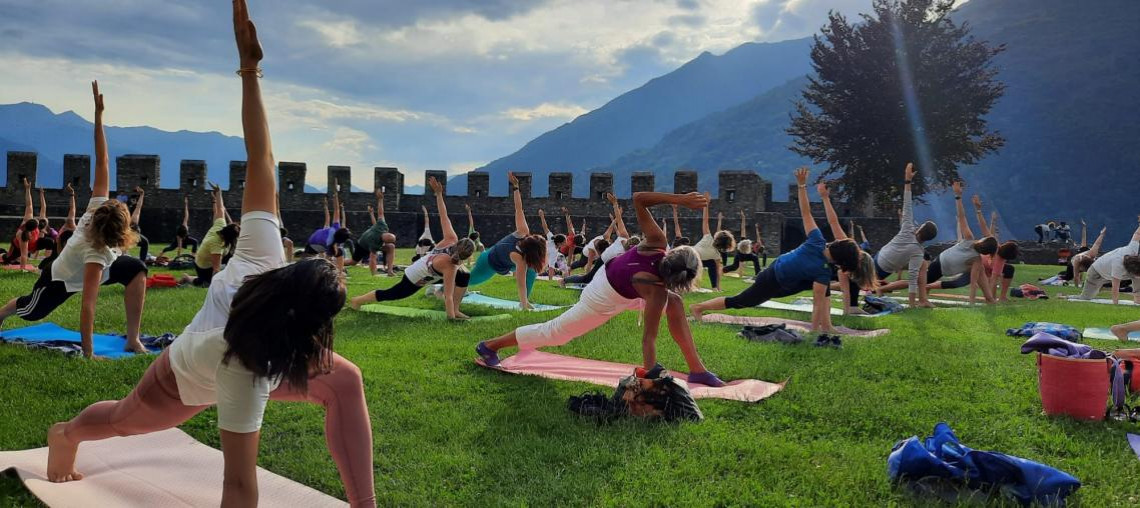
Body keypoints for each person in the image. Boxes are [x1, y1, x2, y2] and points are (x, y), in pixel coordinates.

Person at [44, 6, 376, 505]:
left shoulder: (264, 257)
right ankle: (65, 433)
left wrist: (250, 71)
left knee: (345, 380)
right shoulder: (242, 365)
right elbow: (238, 484)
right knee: (121, 422)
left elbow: (261, 158)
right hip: (184, 379)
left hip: (256, 348)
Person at [476, 190, 725, 387]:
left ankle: (697, 370)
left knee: (676, 304)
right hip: (602, 296)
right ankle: (489, 346)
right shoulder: (656, 288)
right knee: (556, 333)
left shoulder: (657, 245)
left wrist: (680, 200)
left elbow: (639, 199)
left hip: (624, 281)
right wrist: (650, 377)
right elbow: (648, 338)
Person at [0, 81, 148, 357]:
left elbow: (102, 161)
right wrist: (89, 354)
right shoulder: (95, 254)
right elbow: (88, 306)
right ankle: (2, 312)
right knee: (32, 311)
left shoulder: (98, 208)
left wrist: (98, 116)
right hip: (62, 278)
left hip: (98, 266)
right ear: (119, 233)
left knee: (137, 269)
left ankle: (133, 339)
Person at [690, 168, 872, 331]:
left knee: (824, 290)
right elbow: (817, 304)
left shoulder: (818, 241)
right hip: (773, 279)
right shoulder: (821, 269)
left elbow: (806, 213)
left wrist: (802, 185)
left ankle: (826, 325)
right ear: (840, 263)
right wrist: (814, 331)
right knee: (741, 301)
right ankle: (698, 307)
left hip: (782, 272)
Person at [350, 177, 475, 318]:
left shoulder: (451, 239)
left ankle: (456, 310)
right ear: (465, 257)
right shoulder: (450, 266)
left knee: (464, 274)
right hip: (414, 276)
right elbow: (448, 296)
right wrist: (451, 318)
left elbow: (444, 216)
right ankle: (357, 300)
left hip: (432, 271)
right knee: (392, 294)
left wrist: (439, 194)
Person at [467, 172, 547, 309]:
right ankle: (442, 289)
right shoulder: (519, 257)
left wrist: (516, 187)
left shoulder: (523, 231)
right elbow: (520, 283)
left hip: (506, 262)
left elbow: (519, 209)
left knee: (532, 270)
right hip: (489, 262)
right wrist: (523, 305)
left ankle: (525, 301)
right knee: (470, 280)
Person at [867, 164, 937, 307]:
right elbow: (912, 278)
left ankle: (921, 299)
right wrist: (911, 304)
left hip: (876, 261)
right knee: (853, 283)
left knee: (851, 282)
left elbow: (907, 204)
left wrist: (908, 180)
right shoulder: (918, 251)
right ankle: (921, 300)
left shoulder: (908, 230)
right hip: (882, 270)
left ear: (920, 229)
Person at [922, 182, 998, 304]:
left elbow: (962, 217)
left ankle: (989, 299)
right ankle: (990, 299)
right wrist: (978, 210)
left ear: (983, 241)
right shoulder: (977, 258)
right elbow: (973, 282)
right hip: (941, 266)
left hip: (941, 264)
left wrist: (958, 196)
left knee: (919, 282)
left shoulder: (969, 241)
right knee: (916, 283)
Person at [817, 181, 877, 314]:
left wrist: (825, 198)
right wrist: (825, 198)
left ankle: (853, 306)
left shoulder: (847, 268)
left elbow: (846, 292)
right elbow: (833, 222)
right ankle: (853, 306)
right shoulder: (847, 247)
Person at [563, 193, 639, 287]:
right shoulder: (624, 246)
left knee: (600, 277)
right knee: (587, 277)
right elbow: (589, 264)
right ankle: (564, 280)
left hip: (607, 260)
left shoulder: (623, 237)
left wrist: (615, 204)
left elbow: (619, 220)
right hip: (602, 259)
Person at [1072, 218, 1140, 305]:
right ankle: (1065, 297)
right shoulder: (1118, 265)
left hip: (1112, 270)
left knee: (1137, 278)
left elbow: (1137, 234)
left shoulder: (1132, 250)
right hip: (1096, 272)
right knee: (1085, 298)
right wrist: (1115, 304)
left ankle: (1138, 299)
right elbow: (1115, 288)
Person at [181, 184, 238, 287]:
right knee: (207, 283)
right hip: (203, 265)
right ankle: (187, 278)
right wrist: (217, 288)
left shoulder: (221, 225)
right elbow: (216, 270)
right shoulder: (217, 245)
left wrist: (218, 193)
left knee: (234, 257)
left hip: (218, 254)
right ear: (229, 238)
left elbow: (220, 209)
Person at [971, 197, 1019, 302]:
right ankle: (1000, 297)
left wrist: (979, 210)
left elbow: (986, 230)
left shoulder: (997, 250)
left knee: (1007, 270)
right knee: (1000, 274)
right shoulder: (1000, 259)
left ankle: (1001, 297)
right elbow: (993, 281)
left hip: (982, 265)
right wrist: (991, 299)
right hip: (979, 266)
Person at [352, 189, 397, 276]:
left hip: (369, 242)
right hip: (361, 245)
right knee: (352, 262)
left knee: (391, 247)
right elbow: (372, 258)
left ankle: (390, 271)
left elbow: (380, 213)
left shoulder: (382, 226)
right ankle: (337, 263)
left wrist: (380, 200)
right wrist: (374, 275)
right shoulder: (374, 241)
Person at [306, 188, 352, 271]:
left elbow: (336, 210)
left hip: (310, 243)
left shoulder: (335, 228)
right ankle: (339, 272)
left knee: (331, 255)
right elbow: (327, 258)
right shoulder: (331, 242)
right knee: (338, 253)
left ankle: (337, 270)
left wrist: (335, 197)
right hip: (316, 246)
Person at [692, 202, 735, 291]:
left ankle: (712, 287)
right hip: (690, 260)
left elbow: (705, 220)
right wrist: (718, 287)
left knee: (711, 264)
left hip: (690, 259)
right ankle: (714, 287)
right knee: (712, 264)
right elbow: (718, 272)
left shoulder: (708, 238)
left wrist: (706, 204)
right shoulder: (716, 255)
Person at [1, 178, 40, 270]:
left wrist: (28, 189)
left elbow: (29, 205)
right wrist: (23, 269)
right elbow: (24, 254)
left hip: (21, 245)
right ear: (34, 228)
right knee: (7, 258)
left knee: (16, 259)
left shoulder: (28, 220)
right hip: (16, 246)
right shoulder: (23, 235)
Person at [723, 211, 761, 277]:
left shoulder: (743, 241)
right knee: (754, 258)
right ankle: (723, 270)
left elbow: (743, 229)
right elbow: (743, 228)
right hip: (742, 255)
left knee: (735, 266)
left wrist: (743, 218)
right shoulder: (743, 240)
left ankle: (758, 274)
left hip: (742, 256)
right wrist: (743, 218)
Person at [538, 209, 569, 279]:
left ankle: (565, 275)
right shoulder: (553, 246)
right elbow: (545, 228)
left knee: (561, 257)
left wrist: (542, 216)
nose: (566, 244)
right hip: (537, 253)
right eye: (564, 242)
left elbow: (551, 267)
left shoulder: (553, 244)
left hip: (541, 256)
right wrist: (542, 216)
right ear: (559, 243)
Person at [33, 187, 62, 260]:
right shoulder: (41, 225)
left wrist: (41, 194)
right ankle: (47, 258)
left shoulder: (42, 221)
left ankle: (48, 258)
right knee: (47, 243)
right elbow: (43, 207)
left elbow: (43, 206)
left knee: (49, 244)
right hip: (50, 236)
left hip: (52, 236)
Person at [128, 186, 151, 262]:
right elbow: (138, 206)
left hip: (132, 232)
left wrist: (142, 194)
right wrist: (142, 195)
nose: (133, 201)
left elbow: (139, 205)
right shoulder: (129, 210)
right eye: (132, 200)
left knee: (145, 242)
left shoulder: (134, 210)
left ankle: (142, 262)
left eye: (134, 200)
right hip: (128, 233)